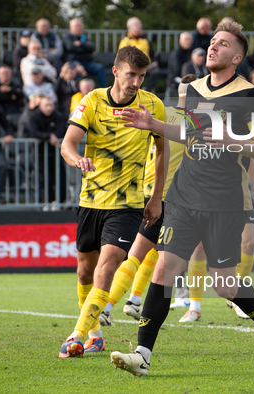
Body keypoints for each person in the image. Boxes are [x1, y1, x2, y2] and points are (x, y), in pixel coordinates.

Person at [110, 21, 254, 376]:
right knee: (163, 268)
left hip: (224, 201)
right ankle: (142, 355)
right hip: (184, 196)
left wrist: (228, 140)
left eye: (222, 44)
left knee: (225, 284)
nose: (213, 47)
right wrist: (154, 125)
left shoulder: (250, 95)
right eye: (213, 41)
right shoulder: (194, 88)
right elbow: (187, 132)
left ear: (237, 56)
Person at [57, 46, 165, 357]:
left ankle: (76, 335)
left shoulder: (152, 105)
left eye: (142, 76)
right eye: (131, 75)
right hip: (91, 199)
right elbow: (67, 144)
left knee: (107, 266)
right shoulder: (91, 101)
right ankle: (94, 335)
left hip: (128, 203)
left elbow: (162, 152)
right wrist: (78, 160)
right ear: (116, 71)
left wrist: (156, 197)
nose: (136, 82)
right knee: (84, 272)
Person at [97, 75, 197, 325]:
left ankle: (133, 300)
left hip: (149, 190)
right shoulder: (194, 122)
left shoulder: (163, 114)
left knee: (151, 253)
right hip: (167, 198)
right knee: (142, 254)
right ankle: (108, 306)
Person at [178, 159, 254, 323]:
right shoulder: (199, 134)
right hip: (206, 195)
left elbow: (249, 154)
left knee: (249, 243)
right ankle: (194, 308)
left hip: (237, 193)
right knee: (199, 249)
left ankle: (236, 297)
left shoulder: (237, 134)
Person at [27, 96, 67, 204]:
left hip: (55, 152)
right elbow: (33, 132)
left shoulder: (58, 116)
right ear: (40, 106)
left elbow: (62, 130)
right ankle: (46, 202)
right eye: (46, 105)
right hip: (40, 152)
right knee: (43, 178)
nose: (49, 108)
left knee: (59, 177)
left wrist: (53, 136)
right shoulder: (34, 116)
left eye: (51, 105)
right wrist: (49, 136)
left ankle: (61, 202)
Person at [118, 17, 161, 92]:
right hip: (132, 66)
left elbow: (152, 55)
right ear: (129, 27)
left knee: (156, 72)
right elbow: (122, 58)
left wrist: (154, 62)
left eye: (139, 24)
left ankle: (145, 90)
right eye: (136, 25)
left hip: (147, 66)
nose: (139, 26)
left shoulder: (146, 41)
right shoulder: (125, 41)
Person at [63, 18, 108, 88]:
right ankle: (81, 92)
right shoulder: (67, 37)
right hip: (74, 62)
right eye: (76, 26)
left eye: (80, 26)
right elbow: (70, 47)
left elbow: (92, 47)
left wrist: (80, 44)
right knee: (78, 70)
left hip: (87, 62)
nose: (78, 28)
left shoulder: (84, 37)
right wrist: (84, 46)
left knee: (100, 68)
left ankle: (105, 91)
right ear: (70, 27)